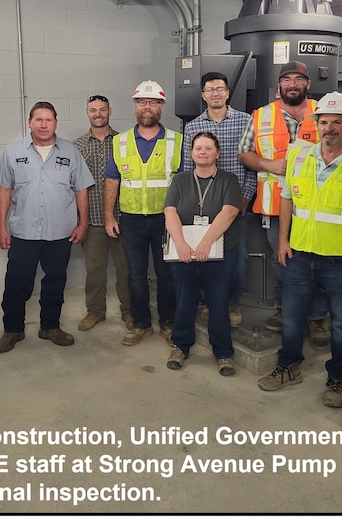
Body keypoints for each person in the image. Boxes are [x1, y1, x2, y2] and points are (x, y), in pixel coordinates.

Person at [238, 60, 342, 346]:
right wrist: (272, 165)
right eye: (286, 80)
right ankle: (283, 310)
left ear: (308, 85)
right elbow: (245, 154)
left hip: (318, 207)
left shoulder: (324, 111)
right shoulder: (261, 115)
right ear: (279, 85)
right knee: (284, 263)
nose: (292, 84)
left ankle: (316, 318)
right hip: (277, 206)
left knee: (317, 265)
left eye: (298, 80)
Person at [256, 92, 342, 409]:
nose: (329, 128)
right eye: (324, 121)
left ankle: (338, 377)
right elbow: (287, 198)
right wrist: (283, 239)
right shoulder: (299, 156)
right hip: (300, 255)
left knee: (340, 323)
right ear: (317, 124)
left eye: (337, 122)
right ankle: (289, 366)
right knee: (292, 318)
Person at [0, 102, 93, 352]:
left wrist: (83, 223)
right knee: (16, 283)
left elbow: (81, 190)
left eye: (49, 120)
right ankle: (12, 330)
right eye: (39, 120)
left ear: (56, 123)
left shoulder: (71, 152)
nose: (44, 124)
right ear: (30, 122)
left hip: (60, 233)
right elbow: (4, 191)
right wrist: (1, 227)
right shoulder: (13, 151)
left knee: (55, 282)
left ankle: (50, 326)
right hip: (23, 233)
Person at [105, 81, 182, 346]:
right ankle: (141, 324)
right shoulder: (120, 141)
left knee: (167, 275)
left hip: (166, 220)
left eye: (153, 102)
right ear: (135, 106)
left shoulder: (177, 141)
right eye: (142, 102)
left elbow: (184, 184)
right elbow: (112, 181)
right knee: (135, 275)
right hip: (132, 219)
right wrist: (109, 216)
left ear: (161, 106)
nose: (147, 107)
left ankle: (169, 324)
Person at [164, 131, 243, 375]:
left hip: (219, 253)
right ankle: (180, 345)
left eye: (208, 148)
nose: (203, 152)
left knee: (218, 302)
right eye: (198, 148)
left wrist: (207, 242)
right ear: (191, 153)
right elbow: (170, 212)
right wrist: (181, 244)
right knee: (185, 300)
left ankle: (223, 353)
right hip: (184, 252)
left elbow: (229, 211)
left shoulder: (228, 180)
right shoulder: (180, 180)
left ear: (217, 153)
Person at [182, 71, 256, 328]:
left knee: (237, 259)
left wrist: (246, 196)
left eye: (220, 88)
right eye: (210, 89)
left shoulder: (246, 122)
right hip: (203, 204)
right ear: (203, 95)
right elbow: (185, 168)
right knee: (204, 255)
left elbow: (252, 163)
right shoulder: (192, 127)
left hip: (235, 205)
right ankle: (208, 302)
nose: (215, 93)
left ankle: (231, 302)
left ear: (227, 93)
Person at [74, 94, 132, 331]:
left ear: (110, 111)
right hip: (92, 220)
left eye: (102, 109)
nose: (98, 113)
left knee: (126, 268)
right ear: (87, 112)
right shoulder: (76, 146)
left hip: (122, 217)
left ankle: (129, 311)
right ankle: (95, 312)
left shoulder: (124, 142)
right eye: (93, 110)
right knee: (94, 270)